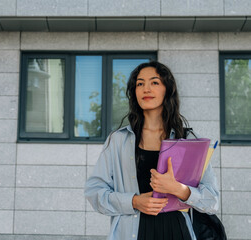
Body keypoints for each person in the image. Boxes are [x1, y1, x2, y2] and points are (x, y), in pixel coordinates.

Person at [84, 61, 219, 240]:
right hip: (133, 231)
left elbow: (212, 201)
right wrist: (134, 201)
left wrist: (179, 189)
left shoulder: (189, 140)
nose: (146, 89)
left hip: (177, 232)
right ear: (134, 92)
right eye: (140, 84)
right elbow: (94, 192)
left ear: (167, 90)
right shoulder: (118, 140)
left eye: (154, 82)